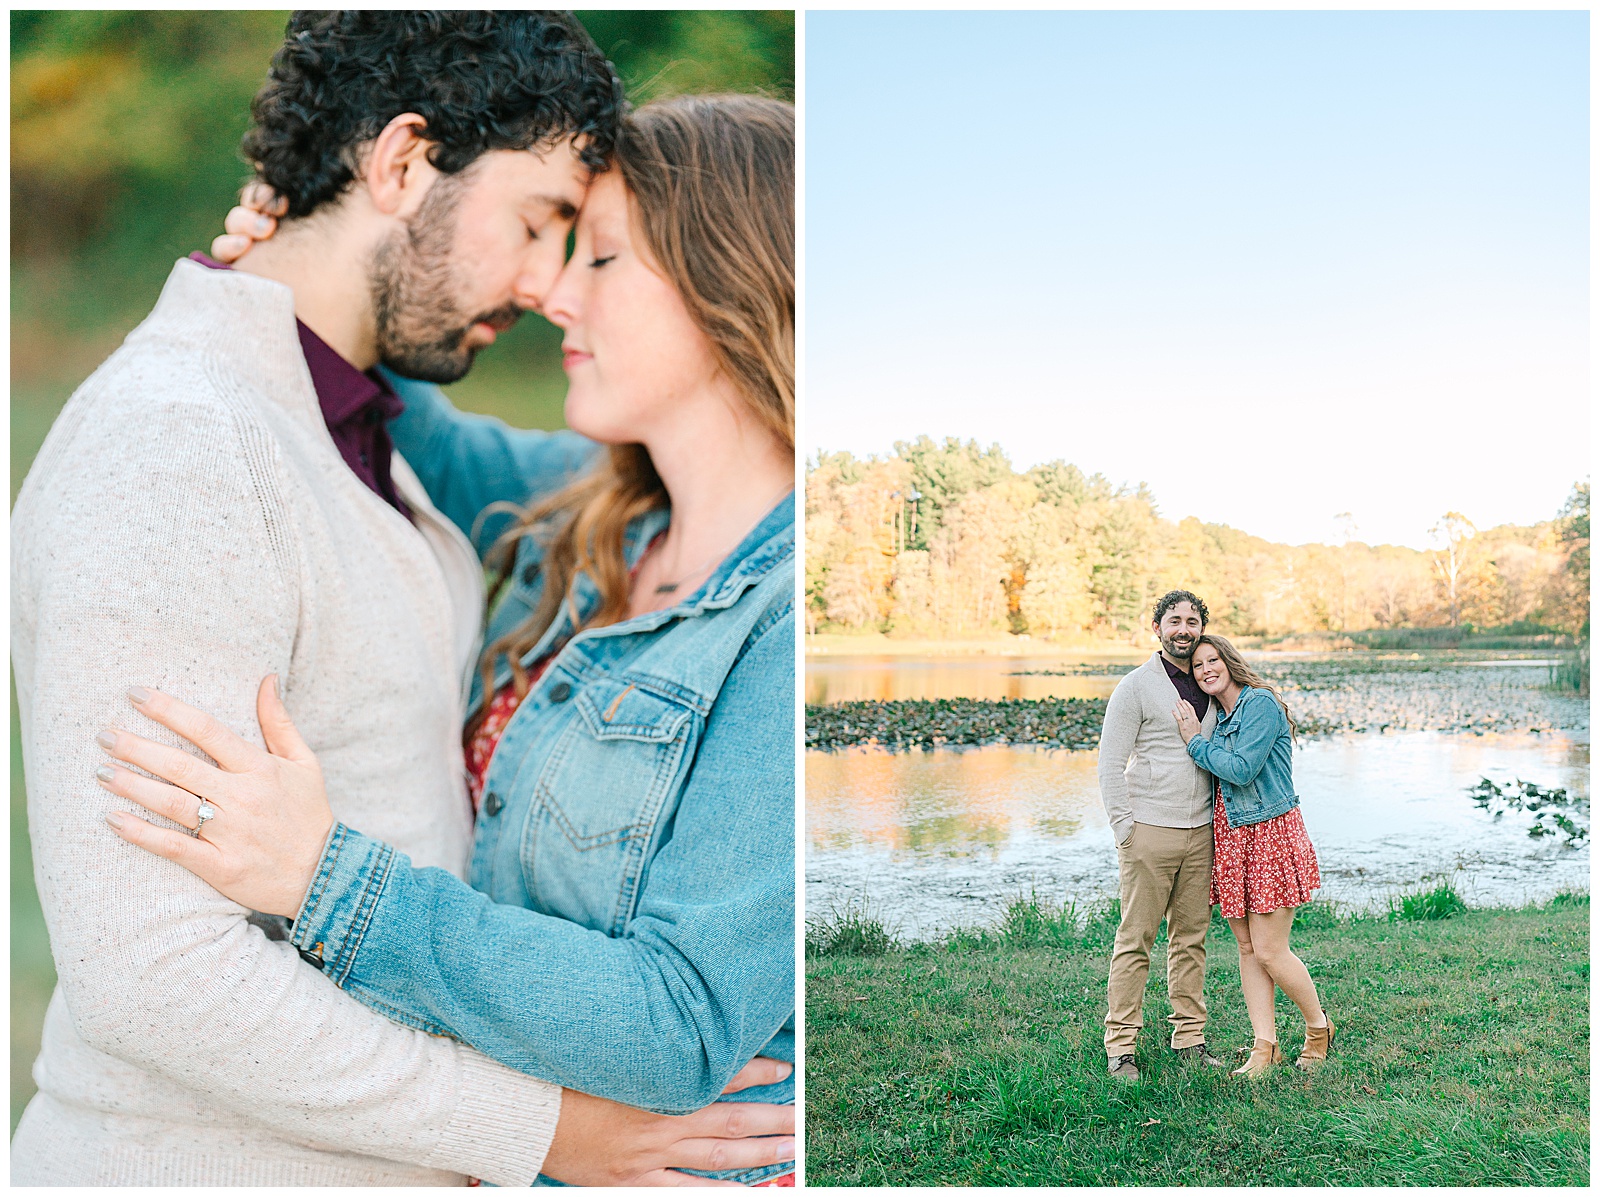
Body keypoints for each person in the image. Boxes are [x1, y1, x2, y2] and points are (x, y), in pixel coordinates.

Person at [12, 12, 790, 1185]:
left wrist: (271, 287)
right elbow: (151, 973)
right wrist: (552, 1135)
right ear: (400, 163)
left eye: (588, 250)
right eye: (539, 227)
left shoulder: (726, 576)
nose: (546, 289)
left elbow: (674, 1016)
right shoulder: (179, 443)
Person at [1174, 634, 1331, 1078]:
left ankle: (1318, 1027)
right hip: (1233, 838)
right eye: (1198, 666)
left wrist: (1193, 741)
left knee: (1270, 950)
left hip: (1270, 835)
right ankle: (1265, 1046)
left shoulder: (1259, 704)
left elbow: (1242, 770)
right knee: (1246, 948)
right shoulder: (1220, 717)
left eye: (1212, 660)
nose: (1205, 669)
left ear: (1229, 661)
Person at [1095, 589, 1226, 1081]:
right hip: (1149, 830)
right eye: (1175, 620)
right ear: (1157, 627)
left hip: (1203, 833)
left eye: (1193, 620)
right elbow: (1110, 763)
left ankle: (1189, 1039)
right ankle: (1121, 1046)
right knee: (1135, 941)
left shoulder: (1212, 683)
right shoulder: (1135, 687)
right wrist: (1124, 829)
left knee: (1191, 941)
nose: (1184, 629)